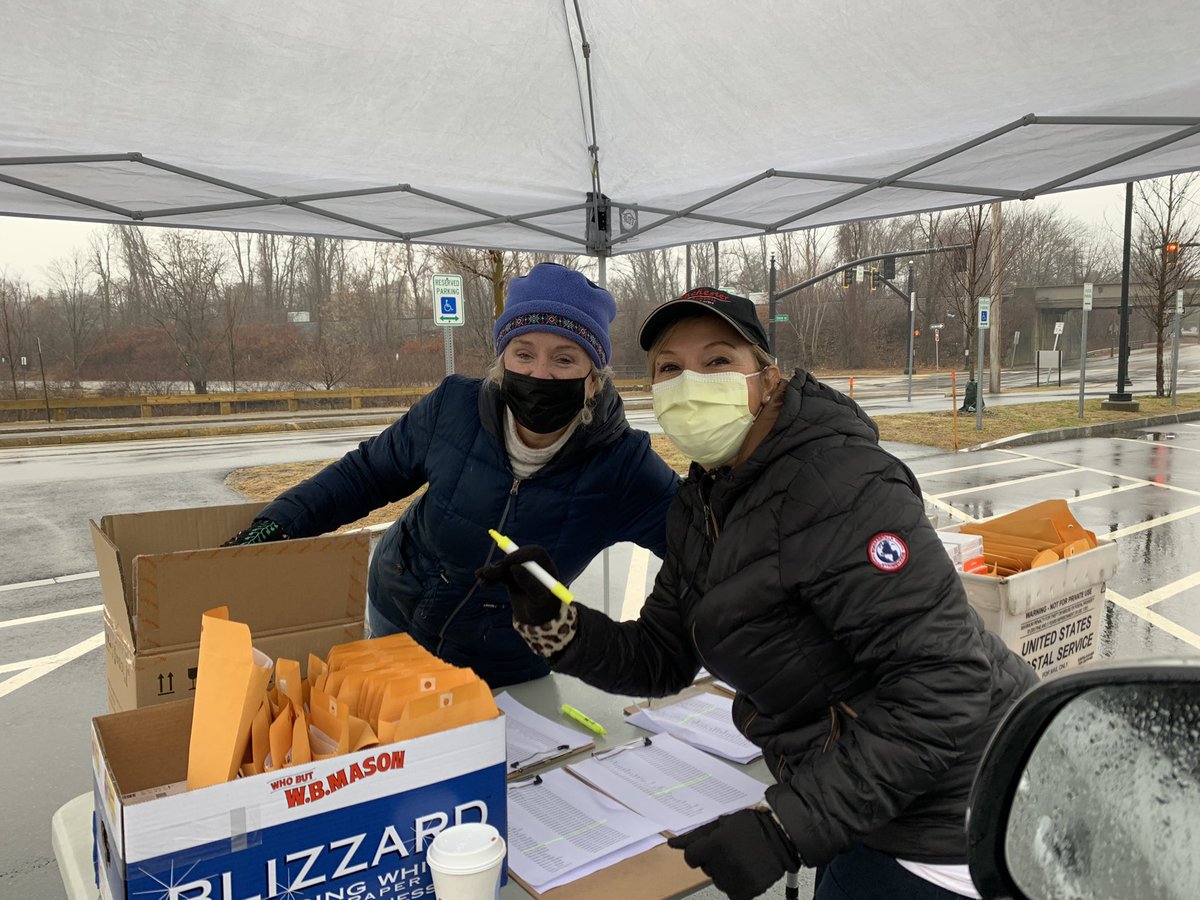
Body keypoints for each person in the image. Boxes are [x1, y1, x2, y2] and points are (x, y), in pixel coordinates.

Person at [479, 287, 1039, 899]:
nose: (691, 384)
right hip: (861, 799)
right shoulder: (703, 501)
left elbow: (945, 684)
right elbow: (663, 654)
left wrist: (789, 829)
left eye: (718, 361)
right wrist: (556, 622)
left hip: (955, 818)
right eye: (670, 368)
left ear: (767, 378)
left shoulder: (840, 482)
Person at [226, 262, 679, 688]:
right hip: (398, 613)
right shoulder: (453, 408)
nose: (539, 373)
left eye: (564, 360)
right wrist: (278, 524)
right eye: (523, 354)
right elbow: (364, 474)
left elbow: (701, 542)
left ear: (593, 379)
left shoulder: (623, 464)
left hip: (509, 657)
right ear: (502, 363)